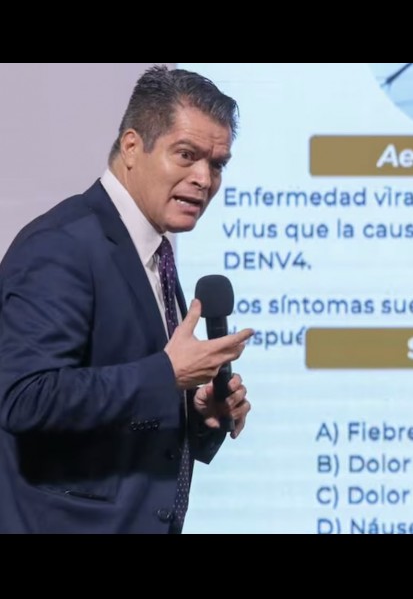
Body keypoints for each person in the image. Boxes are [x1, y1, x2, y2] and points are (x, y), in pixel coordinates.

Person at [0, 65, 254, 533]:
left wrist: (197, 413)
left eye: (217, 164)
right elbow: (24, 399)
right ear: (133, 147)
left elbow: (127, 412)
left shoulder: (154, 252)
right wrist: (166, 374)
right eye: (187, 155)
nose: (204, 178)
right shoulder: (62, 245)